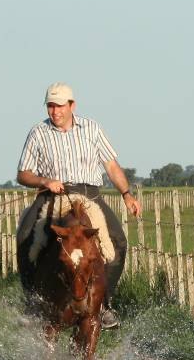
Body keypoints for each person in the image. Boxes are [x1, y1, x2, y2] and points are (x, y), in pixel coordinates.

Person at [15, 82, 141, 329]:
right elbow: (23, 174)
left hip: (88, 196)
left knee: (118, 243)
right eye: (50, 106)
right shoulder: (38, 132)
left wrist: (126, 194)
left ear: (72, 105)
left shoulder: (92, 129)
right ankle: (33, 302)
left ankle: (105, 304)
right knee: (25, 238)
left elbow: (112, 166)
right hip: (52, 197)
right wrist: (44, 181)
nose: (55, 112)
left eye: (59, 106)